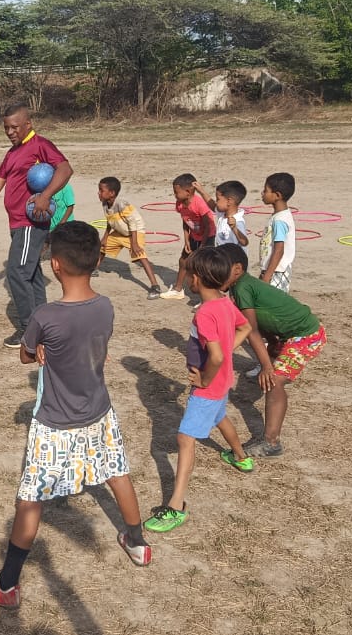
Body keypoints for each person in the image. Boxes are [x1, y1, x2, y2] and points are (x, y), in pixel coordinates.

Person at [0, 221, 151, 608]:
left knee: (30, 500)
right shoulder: (105, 306)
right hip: (99, 412)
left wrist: (38, 350)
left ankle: (6, 586)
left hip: (54, 424)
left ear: (55, 265)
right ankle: (137, 543)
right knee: (117, 473)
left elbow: (25, 355)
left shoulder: (45, 316)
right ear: (97, 261)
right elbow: (94, 345)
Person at [144, 247, 254, 534]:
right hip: (224, 381)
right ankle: (240, 456)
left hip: (210, 385)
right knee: (219, 416)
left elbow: (215, 356)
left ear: (198, 279)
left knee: (185, 438)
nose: (188, 278)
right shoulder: (225, 303)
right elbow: (244, 328)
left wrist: (205, 378)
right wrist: (227, 352)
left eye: (190, 274)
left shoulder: (204, 313)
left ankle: (177, 505)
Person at [0, 104, 74, 348]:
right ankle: (44, 327)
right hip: (16, 223)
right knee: (32, 274)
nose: (10, 132)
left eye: (14, 127)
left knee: (17, 271)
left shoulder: (40, 145)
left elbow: (65, 169)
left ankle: (29, 330)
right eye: (6, 127)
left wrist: (46, 195)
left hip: (30, 223)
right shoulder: (12, 153)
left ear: (28, 124)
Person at [221, 245, 325, 458]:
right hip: (289, 335)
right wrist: (271, 346)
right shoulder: (240, 286)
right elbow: (263, 316)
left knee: (274, 380)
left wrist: (267, 366)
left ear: (237, 269)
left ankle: (271, 443)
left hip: (306, 336)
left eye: (218, 268)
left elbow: (251, 330)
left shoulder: (242, 288)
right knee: (271, 374)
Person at [96, 177, 163, 299]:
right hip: (120, 231)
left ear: (112, 193)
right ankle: (94, 269)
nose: (98, 193)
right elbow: (109, 221)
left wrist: (134, 243)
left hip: (135, 232)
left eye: (101, 190)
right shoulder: (105, 203)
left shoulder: (122, 204)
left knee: (140, 255)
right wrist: (105, 237)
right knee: (102, 247)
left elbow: (133, 223)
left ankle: (155, 286)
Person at [159, 173, 215, 300]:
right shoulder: (179, 204)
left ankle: (207, 297)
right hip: (193, 236)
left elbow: (208, 226)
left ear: (188, 192)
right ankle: (178, 290)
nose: (174, 195)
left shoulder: (199, 204)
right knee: (183, 261)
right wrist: (186, 240)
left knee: (204, 267)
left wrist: (202, 246)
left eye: (176, 192)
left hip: (207, 237)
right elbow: (185, 221)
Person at [259, 172, 297, 292]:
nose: (262, 193)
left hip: (277, 271)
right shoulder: (279, 216)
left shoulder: (280, 220)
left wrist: (267, 276)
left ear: (277, 195)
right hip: (272, 269)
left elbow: (279, 250)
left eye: (266, 191)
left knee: (273, 299)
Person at [193, 179, 248, 252]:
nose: (216, 202)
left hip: (233, 257)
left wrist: (234, 228)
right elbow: (212, 205)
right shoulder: (223, 214)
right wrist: (201, 191)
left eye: (218, 199)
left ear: (229, 201)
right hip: (222, 255)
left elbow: (244, 242)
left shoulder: (238, 221)